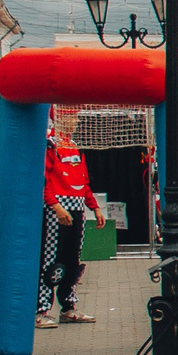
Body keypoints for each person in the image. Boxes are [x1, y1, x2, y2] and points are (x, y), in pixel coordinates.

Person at [37, 114, 106, 329]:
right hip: (56, 208)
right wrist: (55, 206)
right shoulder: (49, 144)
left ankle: (68, 307)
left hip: (77, 207)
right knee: (50, 260)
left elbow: (83, 180)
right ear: (59, 118)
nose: (75, 122)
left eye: (75, 118)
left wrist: (94, 206)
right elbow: (42, 179)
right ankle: (41, 309)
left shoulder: (74, 145)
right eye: (71, 117)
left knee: (72, 260)